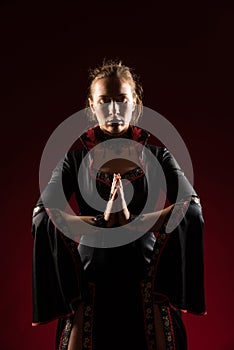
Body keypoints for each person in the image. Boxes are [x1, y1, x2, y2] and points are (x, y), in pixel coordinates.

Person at [31, 60, 206, 350]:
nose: (113, 110)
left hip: (146, 285)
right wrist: (101, 221)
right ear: (91, 108)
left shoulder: (159, 157)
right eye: (105, 101)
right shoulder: (73, 162)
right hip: (90, 288)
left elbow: (191, 207)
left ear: (135, 105)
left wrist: (131, 221)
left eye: (121, 101)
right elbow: (43, 215)